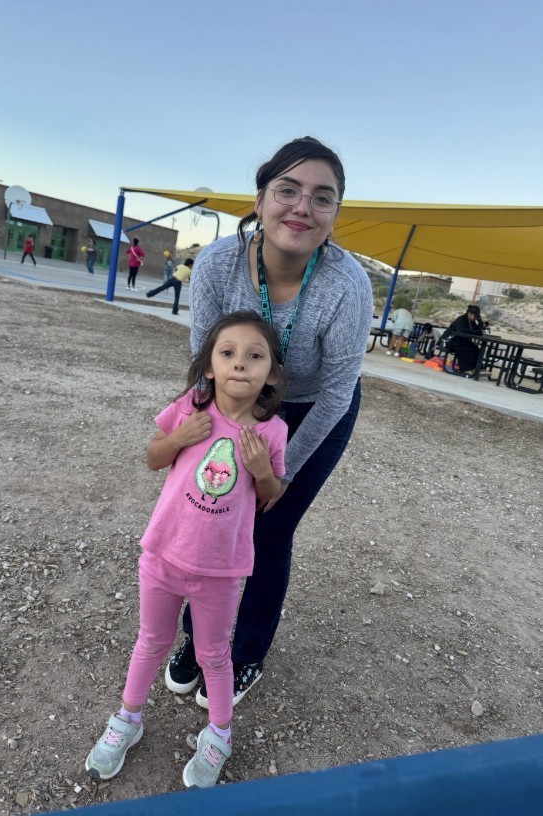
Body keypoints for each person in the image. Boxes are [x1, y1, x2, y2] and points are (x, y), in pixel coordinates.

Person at [165, 136, 373, 707]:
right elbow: (206, 364)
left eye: (322, 197)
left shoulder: (348, 285)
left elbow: (335, 392)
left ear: (334, 215)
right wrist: (199, 435)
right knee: (211, 519)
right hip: (235, 400)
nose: (302, 207)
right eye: (288, 190)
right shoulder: (215, 263)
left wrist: (272, 480)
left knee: (268, 529)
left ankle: (246, 652)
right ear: (259, 201)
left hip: (312, 410)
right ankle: (197, 641)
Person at [85, 311, 288, 788]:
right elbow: (154, 457)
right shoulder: (190, 408)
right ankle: (127, 722)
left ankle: (219, 735)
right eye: (228, 353)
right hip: (162, 555)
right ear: (211, 366)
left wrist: (262, 470)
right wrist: (179, 437)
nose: (241, 363)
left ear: (272, 374)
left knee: (215, 654)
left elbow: (270, 497)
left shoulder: (272, 432)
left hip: (221, 570)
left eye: (254, 356)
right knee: (150, 641)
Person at [443, 304, 484, 374]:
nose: (476, 318)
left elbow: (478, 331)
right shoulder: (461, 319)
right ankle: (466, 369)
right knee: (467, 350)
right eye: (475, 316)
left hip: (461, 341)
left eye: (477, 317)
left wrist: (480, 321)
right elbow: (461, 331)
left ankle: (477, 367)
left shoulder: (472, 322)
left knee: (477, 350)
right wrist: (477, 332)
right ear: (469, 313)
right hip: (451, 341)